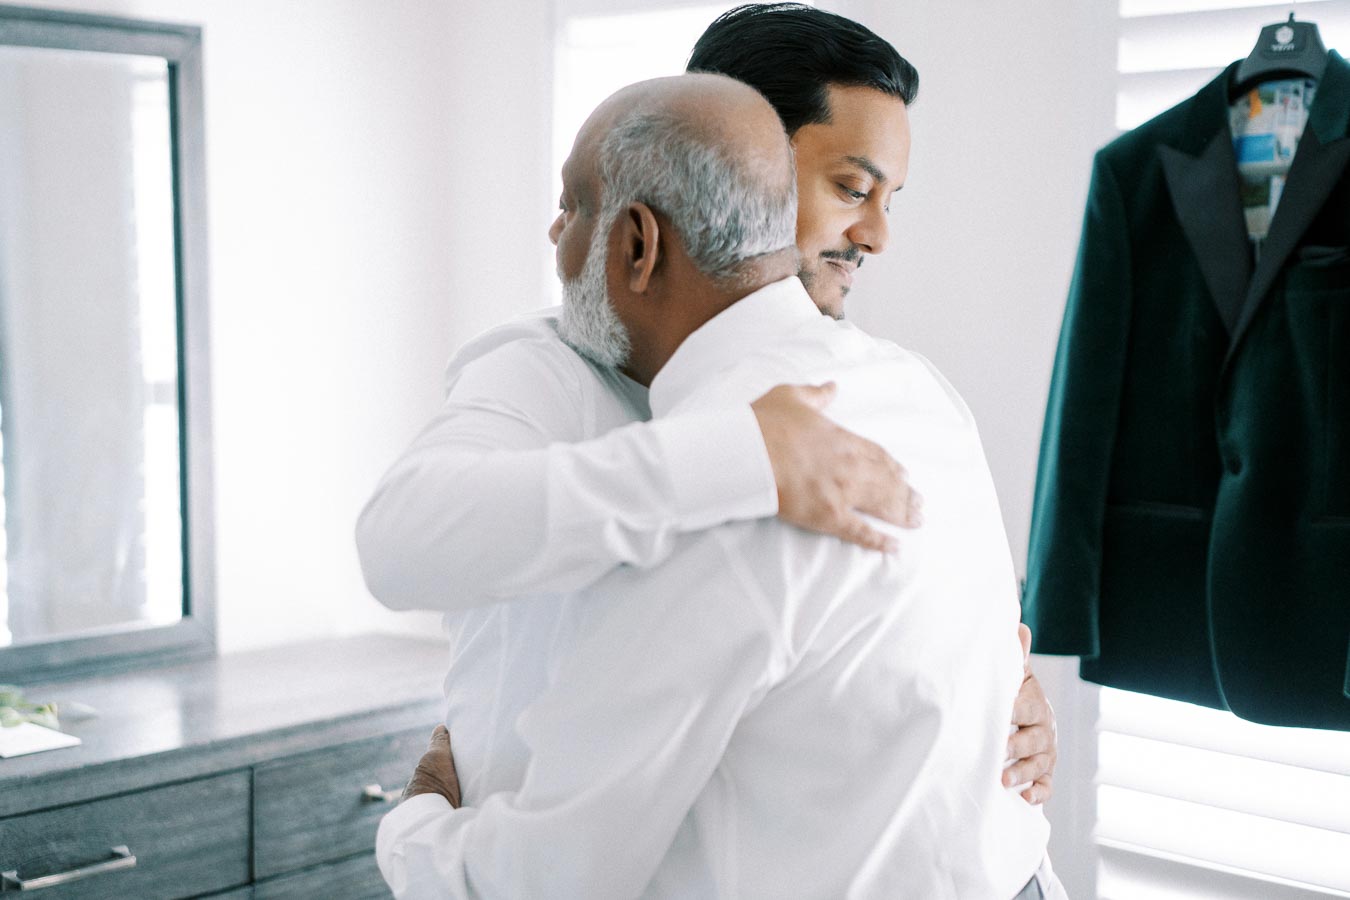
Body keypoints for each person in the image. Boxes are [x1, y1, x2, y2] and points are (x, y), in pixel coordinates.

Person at [377, 72, 1065, 900]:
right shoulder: (915, 390)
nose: (875, 234)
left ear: (638, 245)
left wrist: (414, 823)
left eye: (572, 207)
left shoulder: (720, 507)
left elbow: (543, 878)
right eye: (851, 188)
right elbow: (404, 534)